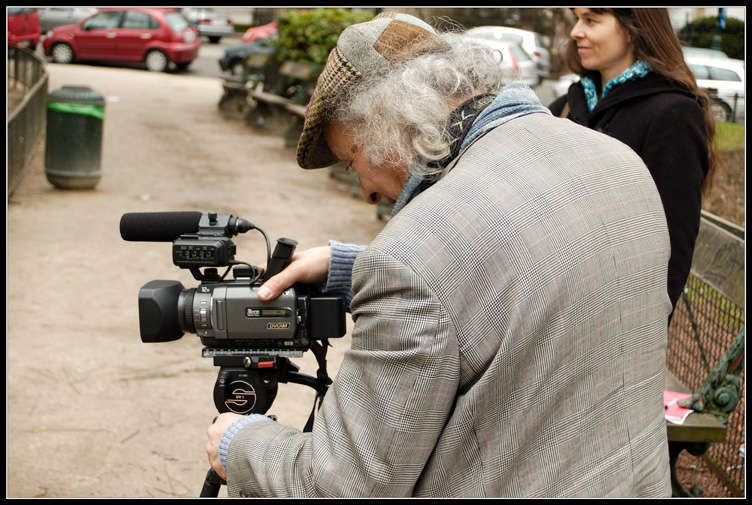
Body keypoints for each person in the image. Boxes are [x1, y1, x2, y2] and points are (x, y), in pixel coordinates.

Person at [207, 12, 673, 497]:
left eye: (352, 161)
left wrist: (239, 444)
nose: (365, 191)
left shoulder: (412, 259)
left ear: (389, 123)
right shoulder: (618, 163)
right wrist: (355, 266)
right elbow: (515, 254)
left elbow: (343, 485)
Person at [548, 8, 716, 320]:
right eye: (577, 19)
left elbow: (672, 246)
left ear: (631, 29)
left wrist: (642, 333)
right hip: (555, 304)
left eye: (591, 20)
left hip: (612, 320)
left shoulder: (673, 116)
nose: (575, 32)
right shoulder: (569, 105)